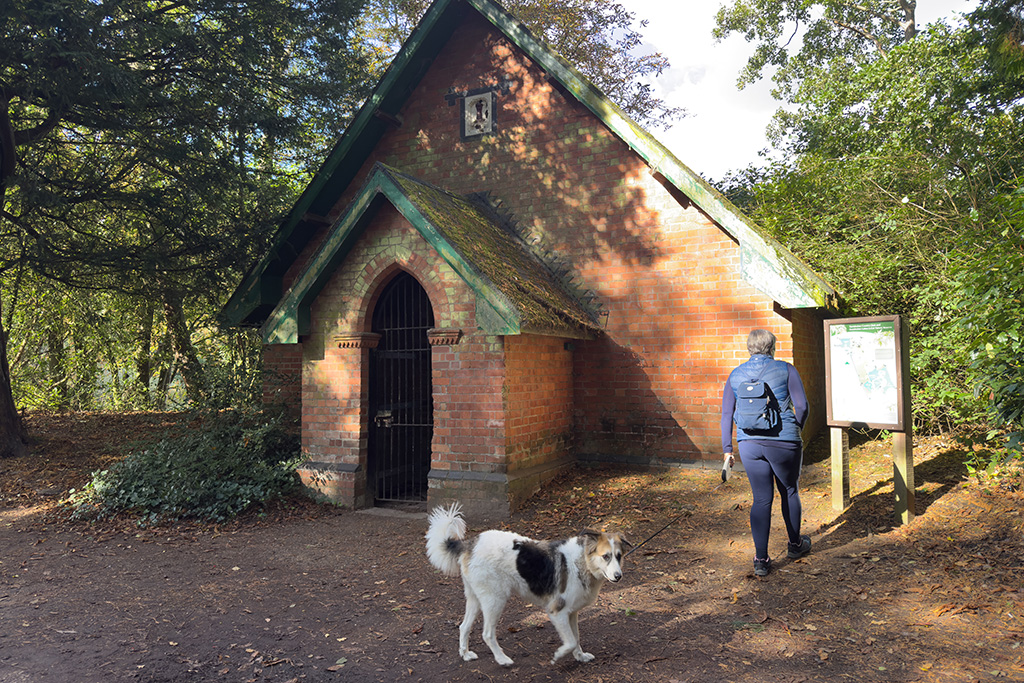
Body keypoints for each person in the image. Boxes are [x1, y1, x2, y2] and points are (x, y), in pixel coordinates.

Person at [721, 329, 811, 577]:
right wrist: (795, 428)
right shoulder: (786, 369)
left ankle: (761, 560)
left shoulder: (735, 375)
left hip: (749, 444)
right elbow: (802, 406)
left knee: (761, 499)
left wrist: (727, 449)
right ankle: (795, 546)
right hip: (784, 442)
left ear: (749, 348)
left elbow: (727, 414)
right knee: (789, 490)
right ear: (772, 347)